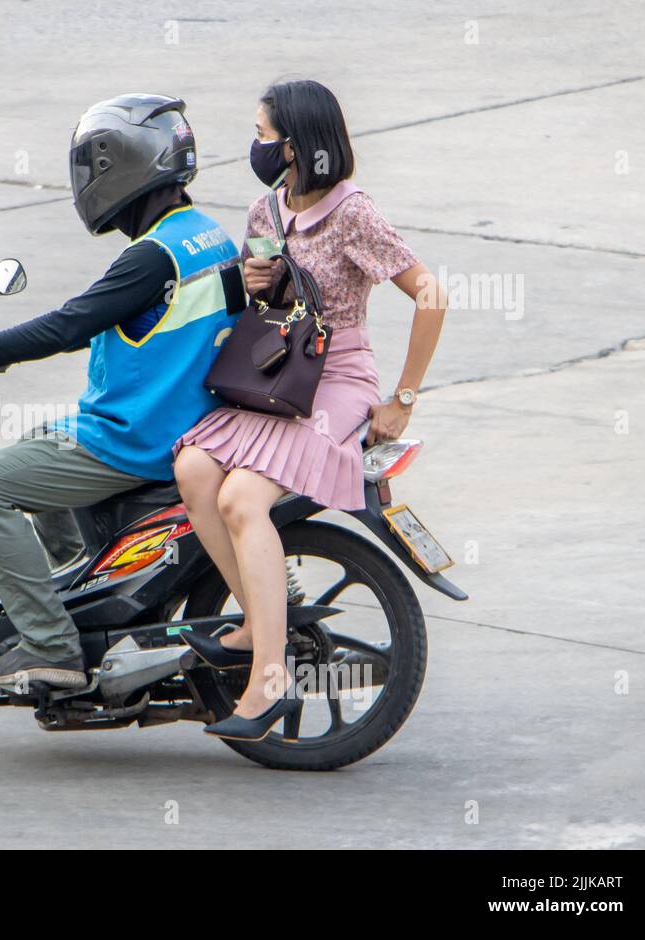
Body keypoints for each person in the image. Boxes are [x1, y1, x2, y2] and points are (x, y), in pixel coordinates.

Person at [0, 93, 244, 690]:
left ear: (127, 166)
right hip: (186, 422)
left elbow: (66, 325)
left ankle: (49, 645)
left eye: (95, 165)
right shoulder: (203, 233)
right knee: (40, 442)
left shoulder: (150, 258)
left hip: (135, 438)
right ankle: (78, 596)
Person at [174, 80, 447, 741]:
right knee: (193, 470)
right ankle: (255, 619)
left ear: (298, 145)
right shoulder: (264, 212)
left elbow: (431, 292)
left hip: (339, 378)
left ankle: (269, 676)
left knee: (242, 498)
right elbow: (258, 307)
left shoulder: (352, 213)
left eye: (264, 134)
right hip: (281, 371)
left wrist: (403, 399)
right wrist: (257, 284)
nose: (256, 145)